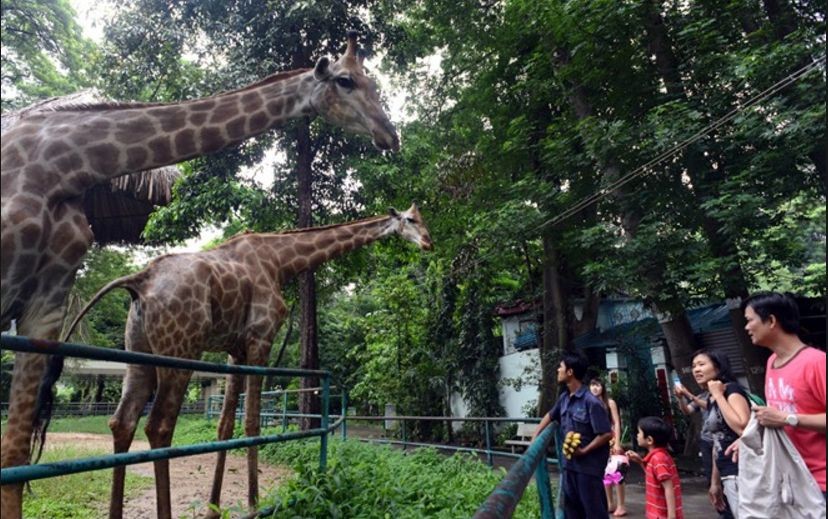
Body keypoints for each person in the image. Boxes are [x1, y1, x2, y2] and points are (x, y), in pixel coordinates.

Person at [741, 292, 826, 499]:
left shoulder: (817, 362)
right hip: (789, 479)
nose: (746, 327)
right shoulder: (772, 361)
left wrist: (788, 419)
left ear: (771, 321)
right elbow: (775, 416)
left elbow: (783, 417)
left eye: (750, 320)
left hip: (821, 483)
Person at [533, 352, 613, 519]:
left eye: (561, 367)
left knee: (594, 512)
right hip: (569, 466)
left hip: (588, 469)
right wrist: (535, 438)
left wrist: (584, 451)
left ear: (570, 372)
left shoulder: (591, 402)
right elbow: (550, 415)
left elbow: (606, 434)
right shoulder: (564, 398)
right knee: (572, 512)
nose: (558, 370)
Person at [685, 349, 750, 517]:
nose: (696, 370)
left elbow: (743, 428)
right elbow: (717, 442)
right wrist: (715, 482)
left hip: (742, 470)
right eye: (694, 366)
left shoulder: (731, 390)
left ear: (718, 367)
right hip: (725, 471)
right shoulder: (712, 397)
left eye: (701, 364)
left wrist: (719, 396)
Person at [674, 384, 735, 519]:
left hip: (724, 441)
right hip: (707, 441)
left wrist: (688, 394)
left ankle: (732, 511)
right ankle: (724, 511)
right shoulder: (702, 396)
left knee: (727, 476)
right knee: (712, 479)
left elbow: (709, 405)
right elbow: (687, 410)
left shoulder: (725, 394)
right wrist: (680, 398)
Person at [626, 417, 684, 519]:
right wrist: (640, 461)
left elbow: (668, 487)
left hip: (661, 515)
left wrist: (671, 516)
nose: (637, 435)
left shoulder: (658, 459)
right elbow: (654, 477)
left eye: (639, 433)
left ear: (649, 440)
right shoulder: (658, 456)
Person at [589, 377, 628, 516]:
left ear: (603, 387)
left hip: (611, 440)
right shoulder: (589, 403)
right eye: (592, 385)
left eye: (598, 385)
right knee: (605, 473)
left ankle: (621, 505)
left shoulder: (610, 403)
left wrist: (617, 442)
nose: (595, 388)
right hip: (599, 441)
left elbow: (617, 423)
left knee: (617, 473)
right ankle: (610, 503)